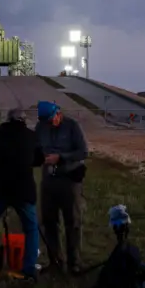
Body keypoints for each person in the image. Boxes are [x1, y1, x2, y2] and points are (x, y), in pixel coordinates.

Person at [0, 108, 44, 282]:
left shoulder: (0, 133)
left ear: (9, 119)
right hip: (23, 189)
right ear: (23, 120)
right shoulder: (31, 136)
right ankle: (29, 269)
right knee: (30, 229)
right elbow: (39, 159)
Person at [35, 101, 88, 275]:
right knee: (49, 221)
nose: (49, 125)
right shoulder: (40, 127)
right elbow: (35, 148)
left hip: (69, 180)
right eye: (46, 123)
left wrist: (61, 157)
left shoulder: (72, 126)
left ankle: (74, 263)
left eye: (51, 121)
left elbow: (83, 152)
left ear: (58, 113)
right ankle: (55, 262)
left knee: (72, 222)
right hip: (49, 179)